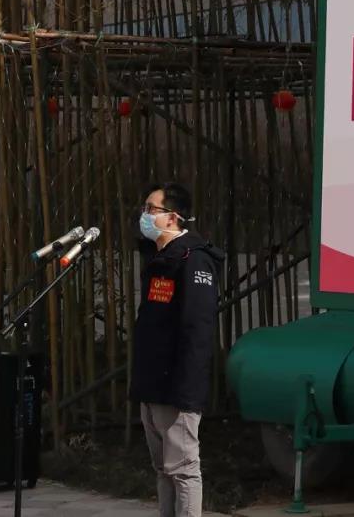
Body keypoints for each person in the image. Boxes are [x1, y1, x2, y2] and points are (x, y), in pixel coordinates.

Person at [130, 182, 224, 517]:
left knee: (183, 470)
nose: (144, 215)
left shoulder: (193, 259)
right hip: (152, 385)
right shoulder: (159, 259)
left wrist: (185, 391)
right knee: (163, 469)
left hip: (176, 389)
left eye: (151, 209)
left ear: (172, 217)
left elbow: (197, 330)